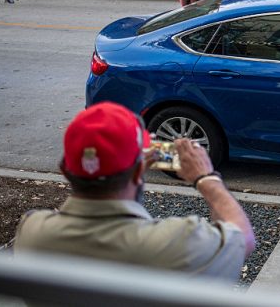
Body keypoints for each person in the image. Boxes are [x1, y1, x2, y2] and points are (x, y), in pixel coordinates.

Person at [14, 102, 255, 282]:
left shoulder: (32, 233)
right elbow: (243, 238)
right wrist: (206, 178)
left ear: (64, 171)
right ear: (141, 168)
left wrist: (132, 168)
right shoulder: (180, 242)